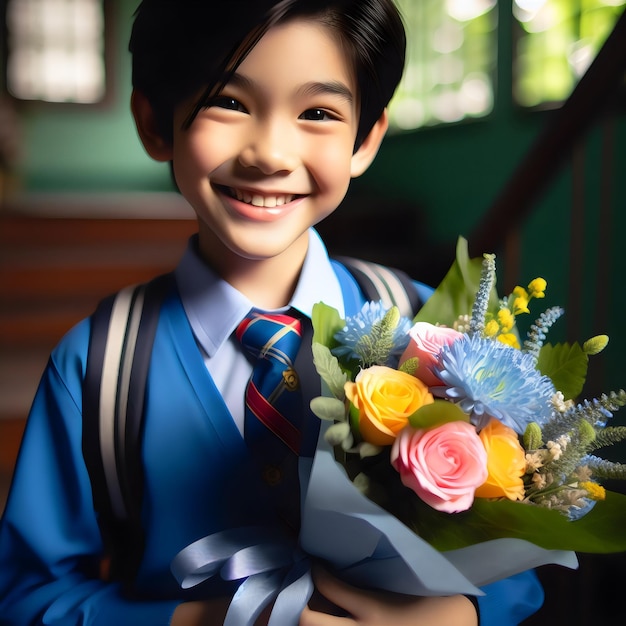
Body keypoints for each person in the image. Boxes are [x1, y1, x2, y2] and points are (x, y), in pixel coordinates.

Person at [0, 1, 544, 624]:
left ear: (365, 139)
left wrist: (461, 614)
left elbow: (519, 543)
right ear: (154, 123)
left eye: (317, 113)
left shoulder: (434, 331)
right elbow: (25, 596)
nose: (270, 153)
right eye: (228, 102)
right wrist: (203, 620)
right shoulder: (98, 367)